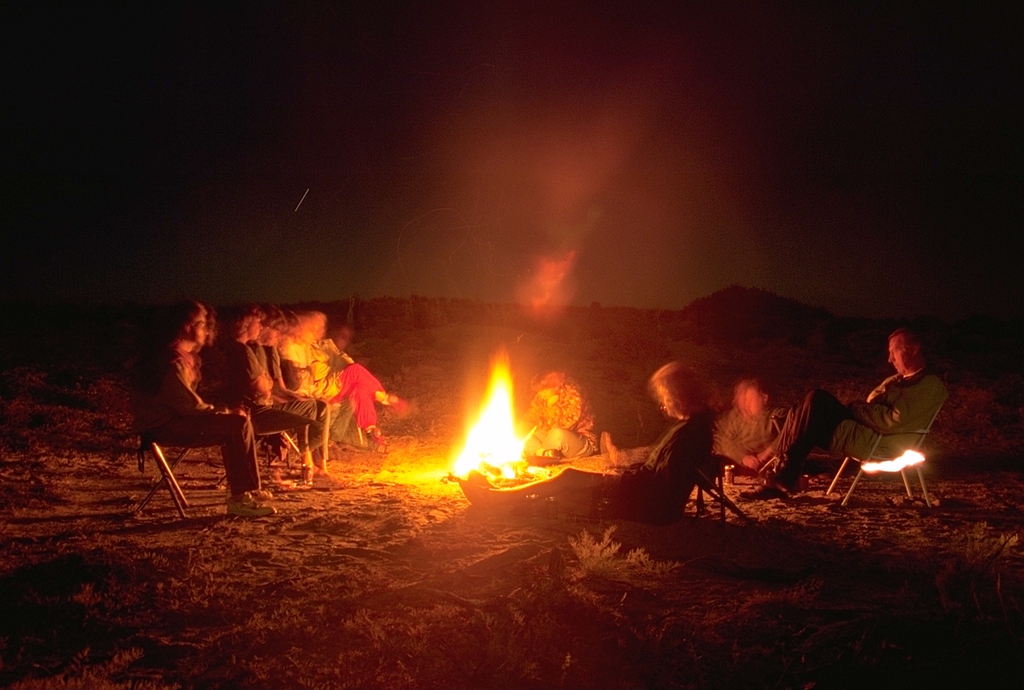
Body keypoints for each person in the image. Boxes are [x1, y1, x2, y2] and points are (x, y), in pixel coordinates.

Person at [460, 362, 718, 525]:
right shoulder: (689, 428)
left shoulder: (690, 433)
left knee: (569, 477)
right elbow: (659, 474)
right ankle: (509, 501)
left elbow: (663, 482)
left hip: (651, 507)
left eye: (665, 397)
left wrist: (620, 479)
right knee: (568, 484)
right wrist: (623, 473)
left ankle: (498, 499)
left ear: (679, 396)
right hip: (647, 497)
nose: (663, 404)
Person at [744, 328, 948, 500]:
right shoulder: (897, 380)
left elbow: (892, 420)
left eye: (894, 351)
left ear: (914, 348)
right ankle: (783, 476)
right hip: (868, 431)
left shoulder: (928, 384)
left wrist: (857, 408)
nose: (889, 359)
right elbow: (874, 401)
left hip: (880, 441)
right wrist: (868, 405)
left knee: (815, 400)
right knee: (800, 410)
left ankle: (783, 477)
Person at [130, 301, 275, 517]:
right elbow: (188, 405)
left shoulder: (185, 357)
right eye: (201, 324)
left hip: (174, 421)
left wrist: (224, 410)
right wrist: (223, 412)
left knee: (238, 421)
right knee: (237, 425)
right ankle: (239, 498)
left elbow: (190, 404)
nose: (206, 329)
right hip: (163, 426)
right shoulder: (171, 362)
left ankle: (248, 490)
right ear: (186, 326)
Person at [220, 305, 323, 481]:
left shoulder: (242, 348)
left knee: (314, 410)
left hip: (255, 407)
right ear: (245, 324)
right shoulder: (243, 350)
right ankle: (309, 465)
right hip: (255, 412)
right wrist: (266, 385)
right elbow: (262, 385)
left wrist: (266, 384)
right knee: (313, 421)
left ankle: (311, 465)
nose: (260, 326)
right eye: (258, 322)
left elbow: (266, 383)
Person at [278, 311, 406, 451]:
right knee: (356, 371)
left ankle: (370, 429)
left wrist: (346, 368)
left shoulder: (321, 345)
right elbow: (295, 380)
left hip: (333, 386)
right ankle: (385, 399)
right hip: (321, 389)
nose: (320, 331)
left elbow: (343, 359)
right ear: (304, 327)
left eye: (322, 327)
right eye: (315, 327)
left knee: (359, 388)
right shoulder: (298, 346)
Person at [713, 379, 788, 473]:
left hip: (772, 469)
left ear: (764, 398)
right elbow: (725, 441)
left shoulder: (777, 414)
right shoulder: (737, 418)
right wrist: (743, 458)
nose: (746, 405)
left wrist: (767, 453)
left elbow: (790, 432)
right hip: (742, 468)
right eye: (745, 401)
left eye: (751, 399)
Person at [522, 371, 597, 461]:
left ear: (554, 386)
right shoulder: (542, 398)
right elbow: (531, 418)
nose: (542, 394)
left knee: (557, 434)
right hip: (550, 437)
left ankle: (542, 456)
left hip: (578, 440)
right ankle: (542, 453)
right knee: (526, 434)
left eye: (544, 390)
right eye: (539, 391)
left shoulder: (572, 393)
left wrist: (553, 407)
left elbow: (567, 425)